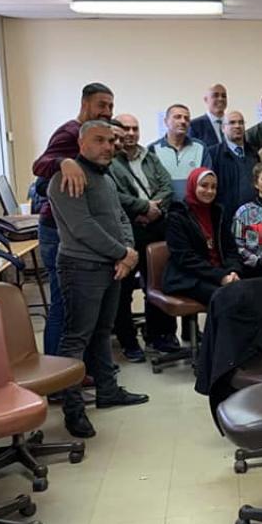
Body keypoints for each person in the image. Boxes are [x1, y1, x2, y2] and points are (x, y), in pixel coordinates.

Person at [48, 120, 149, 439]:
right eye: (99, 140)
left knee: (103, 332)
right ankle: (73, 409)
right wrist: (123, 253)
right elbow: (83, 227)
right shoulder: (67, 177)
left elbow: (120, 217)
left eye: (110, 140)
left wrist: (128, 252)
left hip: (112, 266)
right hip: (81, 267)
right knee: (76, 338)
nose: (108, 146)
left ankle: (107, 390)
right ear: (81, 144)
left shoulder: (105, 177)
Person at [33, 82, 114, 357]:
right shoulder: (70, 132)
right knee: (64, 306)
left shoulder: (95, 134)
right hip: (58, 230)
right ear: (84, 104)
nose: (107, 111)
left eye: (111, 106)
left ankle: (80, 368)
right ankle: (57, 372)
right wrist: (63, 162)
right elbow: (39, 165)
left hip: (75, 228)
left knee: (80, 310)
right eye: (101, 105)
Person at [108, 113, 178, 362]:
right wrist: (144, 207)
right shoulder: (110, 160)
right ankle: (128, 341)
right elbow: (114, 195)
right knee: (124, 289)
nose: (130, 133)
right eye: (125, 129)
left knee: (159, 283)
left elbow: (167, 185)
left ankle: (160, 335)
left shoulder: (149, 155)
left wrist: (155, 209)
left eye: (134, 128)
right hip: (128, 229)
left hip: (156, 227)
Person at [163, 168, 244, 306]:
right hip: (189, 277)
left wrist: (233, 271)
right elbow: (185, 258)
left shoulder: (218, 213)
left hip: (221, 273)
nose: (210, 191)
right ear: (193, 186)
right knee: (227, 298)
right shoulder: (177, 216)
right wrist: (220, 276)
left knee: (249, 294)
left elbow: (231, 250)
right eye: (204, 185)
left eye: (213, 187)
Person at [207, 110, 259, 227]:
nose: (237, 126)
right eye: (232, 123)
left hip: (253, 218)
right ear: (223, 128)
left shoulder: (254, 153)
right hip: (225, 220)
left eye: (241, 122)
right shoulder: (213, 154)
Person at [149, 104, 209, 199]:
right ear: (166, 121)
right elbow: (150, 184)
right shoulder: (152, 149)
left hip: (192, 206)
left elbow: (207, 180)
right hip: (165, 205)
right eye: (177, 117)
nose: (183, 121)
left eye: (186, 118)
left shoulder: (200, 147)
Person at [188, 83, 227, 149]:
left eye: (223, 96)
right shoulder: (194, 125)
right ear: (206, 99)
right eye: (216, 95)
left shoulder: (234, 123)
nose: (220, 99)